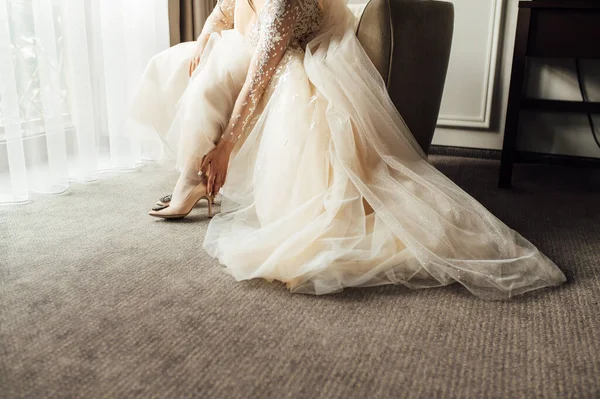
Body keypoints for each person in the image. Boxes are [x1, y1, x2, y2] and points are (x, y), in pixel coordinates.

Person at [129, 0, 566, 299]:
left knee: (221, 75)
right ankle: (191, 175)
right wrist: (206, 34)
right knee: (180, 61)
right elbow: (225, 8)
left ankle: (194, 182)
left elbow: (260, 76)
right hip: (255, 53)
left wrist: (226, 147)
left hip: (288, 73)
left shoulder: (284, 3)